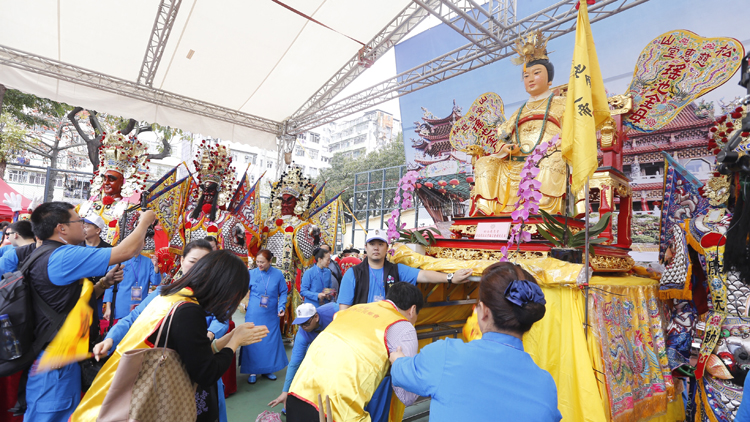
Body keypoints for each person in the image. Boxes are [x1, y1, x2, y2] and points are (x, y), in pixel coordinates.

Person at [72, 250, 270, 422]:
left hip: (114, 392)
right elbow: (206, 372)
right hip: (140, 402)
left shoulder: (171, 296)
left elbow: (190, 351)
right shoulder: (189, 311)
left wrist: (229, 337)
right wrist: (235, 342)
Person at [22, 201, 156, 422]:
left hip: (58, 354)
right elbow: (127, 251)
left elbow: (65, 302)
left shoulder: (45, 253)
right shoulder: (63, 255)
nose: (83, 226)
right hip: (56, 360)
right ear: (61, 228)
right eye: (79, 221)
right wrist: (144, 222)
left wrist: (103, 284)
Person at [389, 262, 562, 421]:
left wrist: (397, 358)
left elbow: (402, 372)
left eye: (477, 305)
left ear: (484, 312)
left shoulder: (445, 355)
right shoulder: (546, 385)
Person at [92, 239, 232, 422]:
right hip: (169, 369)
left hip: (202, 356)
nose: (198, 268)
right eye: (192, 261)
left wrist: (210, 334)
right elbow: (133, 319)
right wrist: (110, 339)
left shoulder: (213, 294)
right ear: (181, 261)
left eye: (204, 264)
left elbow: (223, 319)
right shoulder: (163, 292)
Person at [286, 282, 423, 422]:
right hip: (335, 414)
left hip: (297, 395)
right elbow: (408, 396)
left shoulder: (356, 308)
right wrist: (398, 364)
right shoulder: (403, 326)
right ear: (412, 310)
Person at [471, 31, 565, 216]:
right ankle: (488, 209)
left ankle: (542, 210)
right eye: (526, 75)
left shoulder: (561, 104)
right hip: (515, 160)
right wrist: (505, 148)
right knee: (484, 163)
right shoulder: (518, 111)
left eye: (536, 73)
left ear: (550, 79)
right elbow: (502, 136)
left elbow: (572, 132)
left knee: (553, 161)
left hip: (547, 155)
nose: (530, 79)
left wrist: (553, 146)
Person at [338, 229, 473, 311]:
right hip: (363, 330)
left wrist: (450, 278)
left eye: (380, 244)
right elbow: (344, 311)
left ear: (387, 248)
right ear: (365, 247)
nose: (376, 248)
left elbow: (424, 275)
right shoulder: (353, 274)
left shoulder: (396, 270)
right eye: (372, 244)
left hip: (389, 329)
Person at [268, 302, 339, 413]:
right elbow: (294, 363)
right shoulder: (303, 334)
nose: (303, 327)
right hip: (320, 344)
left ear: (316, 317)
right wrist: (285, 392)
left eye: (306, 323)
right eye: (300, 324)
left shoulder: (334, 310)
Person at [241, 249, 289, 384]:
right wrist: (243, 303)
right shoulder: (251, 274)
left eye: (262, 262)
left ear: (270, 261)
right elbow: (243, 290)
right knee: (253, 340)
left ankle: (268, 369)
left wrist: (281, 306)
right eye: (257, 262)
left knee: (269, 341)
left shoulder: (278, 274)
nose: (259, 264)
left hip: (271, 314)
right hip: (253, 313)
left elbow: (284, 292)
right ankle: (252, 370)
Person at [102, 238, 161, 321]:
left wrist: (155, 266)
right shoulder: (119, 260)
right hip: (121, 306)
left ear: (144, 244)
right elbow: (110, 286)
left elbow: (156, 282)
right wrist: (108, 307)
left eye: (140, 242)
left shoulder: (148, 262)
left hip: (140, 305)